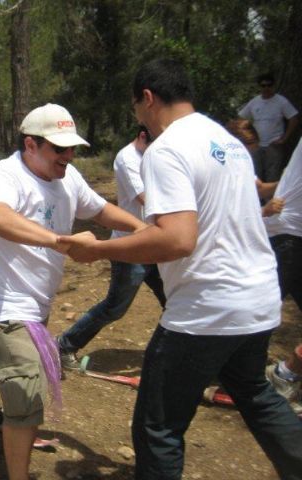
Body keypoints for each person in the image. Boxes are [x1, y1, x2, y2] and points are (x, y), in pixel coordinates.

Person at [61, 59, 302, 479]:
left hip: (207, 308)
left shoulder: (166, 149)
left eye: (136, 108)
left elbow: (176, 239)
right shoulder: (225, 141)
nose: (138, 118)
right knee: (256, 394)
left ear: (148, 98)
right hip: (257, 299)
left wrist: (98, 250)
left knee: (158, 426)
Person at [0, 103, 145, 480]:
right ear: (30, 145)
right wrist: (60, 241)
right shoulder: (1, 175)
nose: (68, 156)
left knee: (11, 362)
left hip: (37, 302)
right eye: (59, 148)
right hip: (4, 304)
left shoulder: (68, 177)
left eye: (72, 148)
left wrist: (142, 228)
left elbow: (100, 210)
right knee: (26, 388)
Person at [57, 126, 166, 370]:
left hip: (156, 243)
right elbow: (145, 198)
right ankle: (65, 344)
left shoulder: (156, 156)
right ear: (142, 136)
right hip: (130, 248)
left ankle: (168, 355)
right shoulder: (128, 158)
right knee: (115, 307)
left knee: (173, 302)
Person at [262, 137, 302, 413]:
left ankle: (284, 374)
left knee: (257, 311)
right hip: (288, 235)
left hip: (290, 234)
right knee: (257, 311)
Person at [239, 72, 299, 182]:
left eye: (269, 85)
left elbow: (293, 118)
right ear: (260, 87)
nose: (266, 88)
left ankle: (271, 194)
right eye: (263, 85)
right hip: (257, 146)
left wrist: (284, 138)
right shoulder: (255, 102)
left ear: (273, 86)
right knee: (255, 176)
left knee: (272, 176)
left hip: (273, 145)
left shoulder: (281, 101)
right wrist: (247, 137)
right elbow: (242, 118)